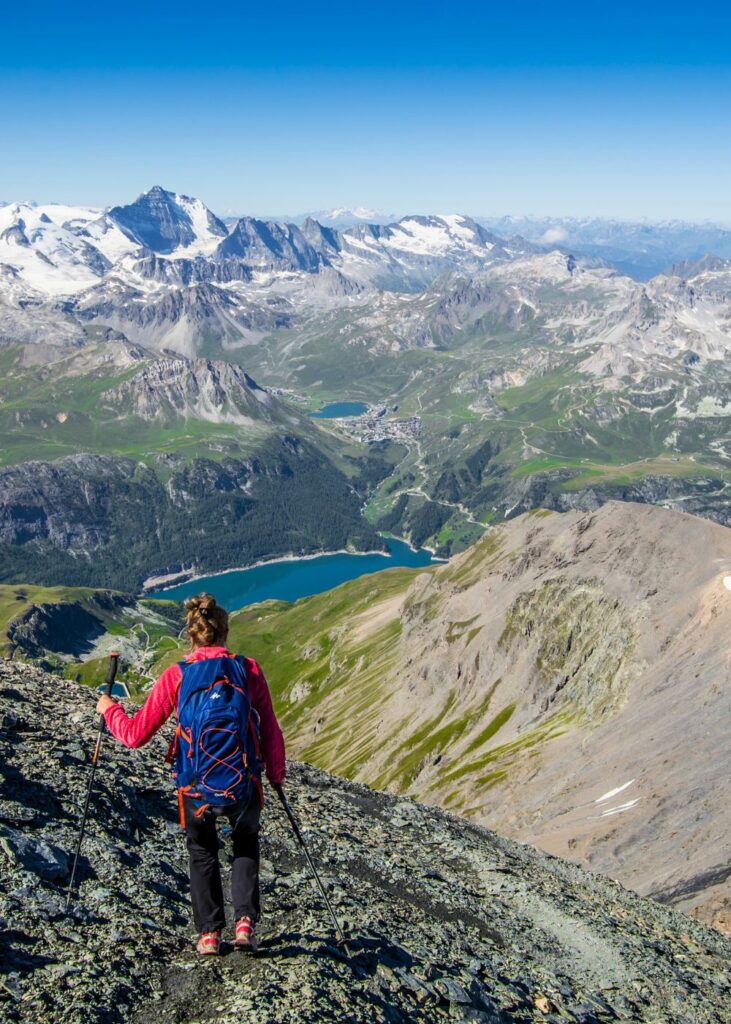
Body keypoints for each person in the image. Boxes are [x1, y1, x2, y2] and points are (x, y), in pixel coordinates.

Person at [96, 593, 286, 956]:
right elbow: (270, 730)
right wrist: (275, 774)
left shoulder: (177, 674)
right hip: (243, 781)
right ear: (225, 631)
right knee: (245, 843)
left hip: (194, 785)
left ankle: (210, 934)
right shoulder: (249, 669)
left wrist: (110, 710)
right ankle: (245, 924)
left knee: (202, 851)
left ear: (191, 635)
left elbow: (136, 735)